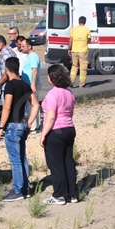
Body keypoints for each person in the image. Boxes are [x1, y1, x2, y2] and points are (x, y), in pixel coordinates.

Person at [0, 57, 39, 202]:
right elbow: (36, 105)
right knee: (22, 158)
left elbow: (7, 107)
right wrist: (29, 122)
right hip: (22, 125)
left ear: (6, 69)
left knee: (15, 161)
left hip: (13, 126)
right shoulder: (25, 85)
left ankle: (17, 190)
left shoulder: (10, 86)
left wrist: (0, 127)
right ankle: (25, 188)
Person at [39, 64, 78, 205]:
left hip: (56, 130)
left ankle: (59, 195)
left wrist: (43, 134)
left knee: (55, 164)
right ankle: (71, 193)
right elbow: (71, 112)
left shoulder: (53, 94)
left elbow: (50, 117)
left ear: (51, 78)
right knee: (68, 161)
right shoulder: (69, 93)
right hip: (69, 128)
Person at [20, 37, 42, 132]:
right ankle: (35, 125)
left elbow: (35, 70)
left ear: (29, 46)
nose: (22, 48)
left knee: (32, 105)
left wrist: (32, 84)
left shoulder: (33, 56)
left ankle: (33, 126)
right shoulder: (30, 56)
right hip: (28, 83)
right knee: (32, 105)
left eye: (23, 46)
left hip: (31, 84)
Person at [69, 16, 91, 88]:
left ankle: (71, 82)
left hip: (74, 50)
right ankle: (82, 84)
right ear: (85, 22)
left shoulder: (74, 29)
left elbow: (70, 40)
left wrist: (69, 49)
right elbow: (89, 40)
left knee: (74, 66)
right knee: (83, 67)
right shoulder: (87, 30)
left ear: (79, 21)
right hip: (83, 51)